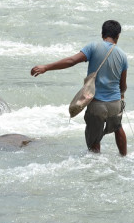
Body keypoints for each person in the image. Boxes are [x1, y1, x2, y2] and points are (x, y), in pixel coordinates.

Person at [30, 20, 128, 156]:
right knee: (118, 127)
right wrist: (120, 97)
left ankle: (96, 164)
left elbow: (71, 61)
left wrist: (46, 67)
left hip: (96, 104)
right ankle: (124, 157)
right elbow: (123, 86)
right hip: (115, 104)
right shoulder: (123, 56)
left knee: (94, 139)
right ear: (118, 36)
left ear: (102, 34)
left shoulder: (93, 47)